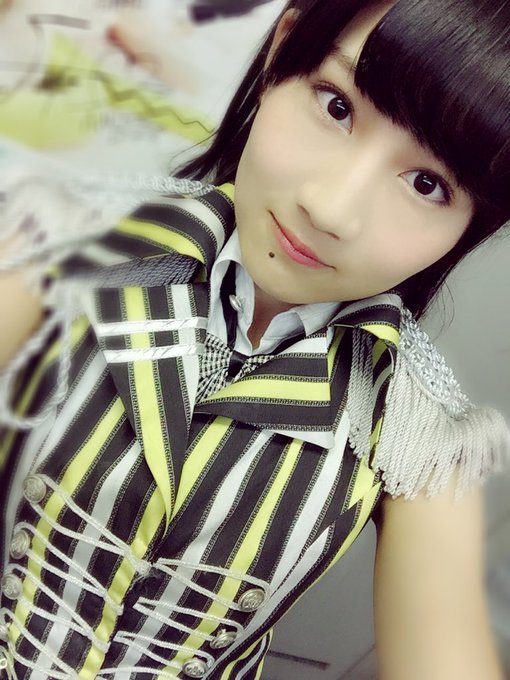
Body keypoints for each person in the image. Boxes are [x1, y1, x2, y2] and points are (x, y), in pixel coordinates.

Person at [0, 0, 509, 678]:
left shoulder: (421, 434)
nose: (331, 208)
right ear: (282, 51)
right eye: (335, 106)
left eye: (427, 184)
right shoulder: (69, 246)